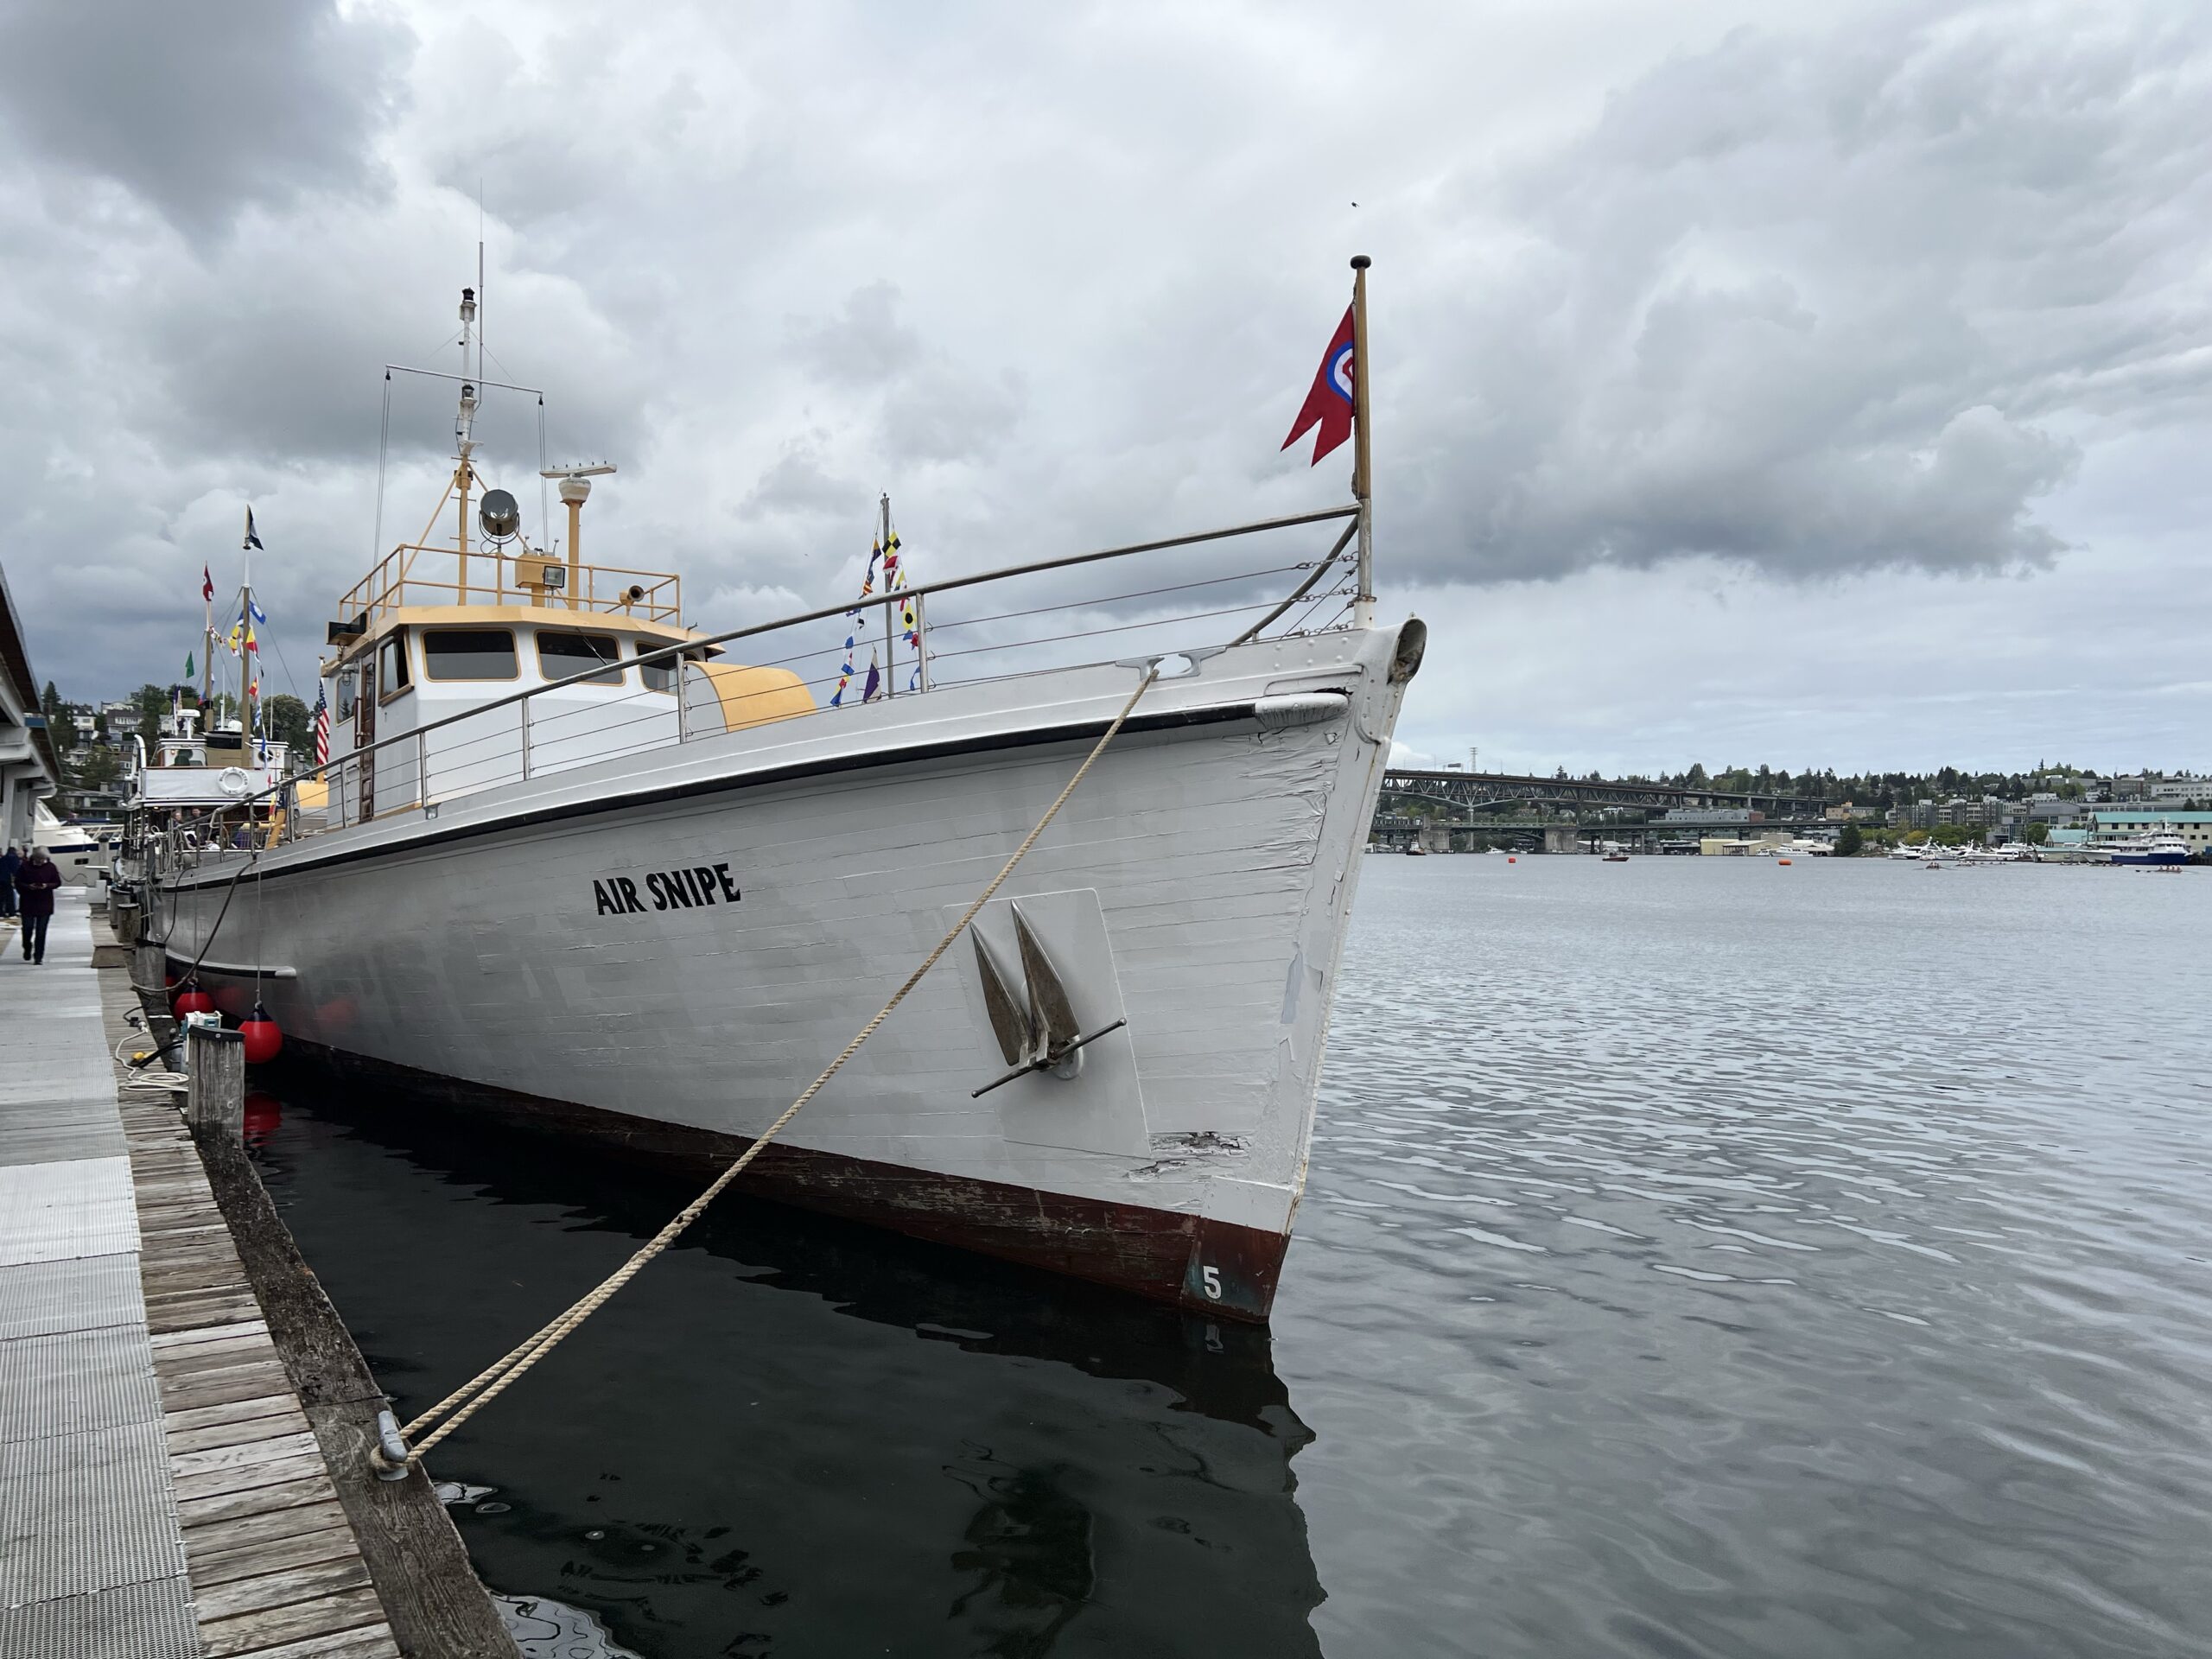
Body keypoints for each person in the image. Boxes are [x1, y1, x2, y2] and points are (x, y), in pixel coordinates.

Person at [15, 846, 60, 963]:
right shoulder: (25, 866)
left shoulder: (51, 867)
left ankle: (38, 957)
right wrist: (28, 887)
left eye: (42, 859)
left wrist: (47, 885)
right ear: (34, 857)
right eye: (38, 859)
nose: (40, 861)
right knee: (27, 929)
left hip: (45, 903)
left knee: (41, 932)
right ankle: (27, 947)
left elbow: (57, 882)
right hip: (28, 903)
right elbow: (18, 882)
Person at [0, 843, 17, 921]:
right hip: (7, 879)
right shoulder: (14, 858)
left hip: (1, 880)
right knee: (10, 897)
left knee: (1, 897)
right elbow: (15, 870)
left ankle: (1, 913)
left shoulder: (2, 859)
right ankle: (11, 913)